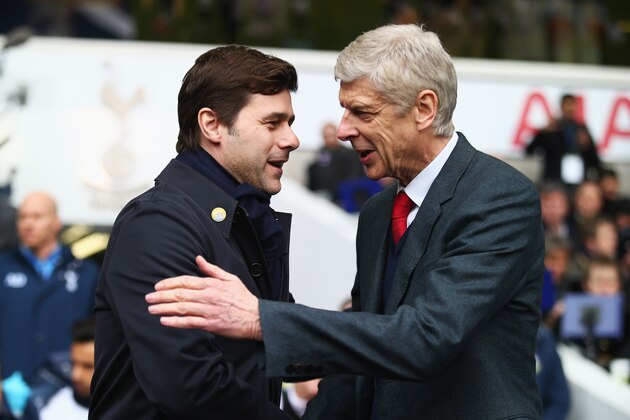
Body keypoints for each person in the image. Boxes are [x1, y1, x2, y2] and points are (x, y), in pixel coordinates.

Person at [147, 24, 545, 419]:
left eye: (362, 112)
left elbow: (425, 338)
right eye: (344, 110)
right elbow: (358, 361)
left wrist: (259, 319)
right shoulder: (378, 213)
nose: (343, 130)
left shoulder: (499, 198)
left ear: (424, 109)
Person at [90, 45, 299, 419]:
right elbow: (188, 385)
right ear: (212, 125)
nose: (291, 140)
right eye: (273, 123)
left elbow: (288, 341)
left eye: (290, 123)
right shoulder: (157, 225)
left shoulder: (244, 220)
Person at [0, 192, 99, 382]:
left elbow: (96, 336)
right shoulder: (2, 268)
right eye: (23, 217)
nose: (28, 224)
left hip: (65, 387)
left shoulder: (86, 274)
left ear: (56, 222)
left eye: (37, 217)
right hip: (9, 387)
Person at [526, 93, 601, 186]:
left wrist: (587, 146)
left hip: (578, 183)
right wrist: (543, 132)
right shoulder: (552, 128)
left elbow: (595, 161)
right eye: (566, 104)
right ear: (561, 106)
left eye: (572, 104)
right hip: (554, 182)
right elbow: (529, 150)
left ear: (576, 107)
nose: (569, 108)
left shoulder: (582, 130)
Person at [39, 317, 95, 420]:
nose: (75, 375)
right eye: (73, 364)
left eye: (88, 366)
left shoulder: (130, 411)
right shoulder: (53, 409)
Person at [306, 121, 367, 206]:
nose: (329, 139)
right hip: (322, 194)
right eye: (326, 136)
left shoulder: (349, 153)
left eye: (331, 135)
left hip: (344, 193)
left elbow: (355, 175)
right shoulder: (320, 154)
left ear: (337, 134)